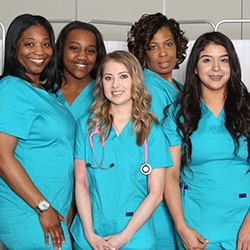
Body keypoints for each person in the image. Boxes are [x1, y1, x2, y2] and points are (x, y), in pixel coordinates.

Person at [70, 50, 173, 250]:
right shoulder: (87, 126)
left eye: (123, 76)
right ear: (101, 83)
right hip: (90, 236)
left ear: (135, 80)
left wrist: (124, 237)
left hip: (135, 237)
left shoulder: (152, 132)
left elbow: (156, 193)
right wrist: (90, 235)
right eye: (108, 78)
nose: (115, 85)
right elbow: (81, 182)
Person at [163, 31, 250, 250]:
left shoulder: (247, 109)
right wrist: (182, 228)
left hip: (244, 221)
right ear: (194, 67)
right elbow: (170, 175)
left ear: (233, 66)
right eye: (207, 60)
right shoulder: (179, 114)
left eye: (224, 60)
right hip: (197, 224)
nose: (216, 68)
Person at [0, 14, 75, 250]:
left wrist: (65, 205)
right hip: (30, 210)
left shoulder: (46, 92)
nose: (39, 51)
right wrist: (42, 206)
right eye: (29, 44)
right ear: (14, 48)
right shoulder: (12, 89)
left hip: (55, 210)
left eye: (45, 43)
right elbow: (2, 156)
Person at [127, 12, 188, 249]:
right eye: (153, 47)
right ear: (143, 52)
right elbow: (155, 148)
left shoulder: (178, 87)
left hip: (175, 185)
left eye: (168, 44)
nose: (163, 53)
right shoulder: (150, 87)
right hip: (161, 187)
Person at [56, 21, 106, 121]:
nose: (82, 57)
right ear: (61, 50)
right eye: (74, 48)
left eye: (90, 51)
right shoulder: (45, 92)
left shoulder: (105, 93)